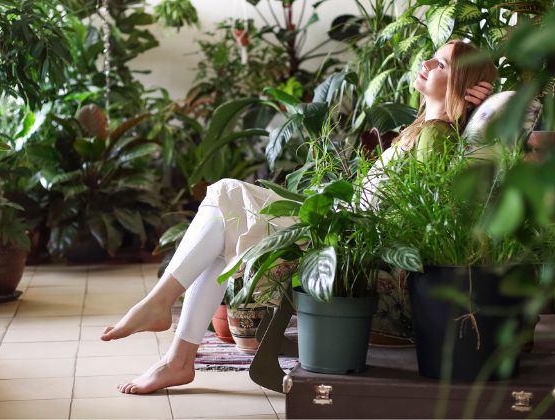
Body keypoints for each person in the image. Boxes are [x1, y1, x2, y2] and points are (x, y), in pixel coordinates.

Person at [101, 40, 498, 395]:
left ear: (462, 84)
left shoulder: (438, 135)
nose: (427, 63)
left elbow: (416, 209)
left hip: (347, 241)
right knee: (223, 223)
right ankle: (176, 357)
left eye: (442, 64)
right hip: (340, 226)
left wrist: (485, 108)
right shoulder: (421, 130)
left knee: (224, 194)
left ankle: (164, 324)